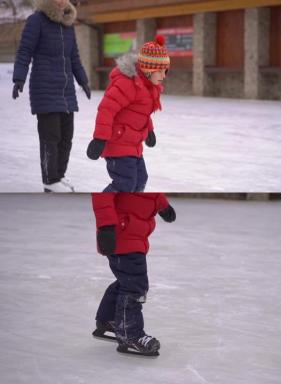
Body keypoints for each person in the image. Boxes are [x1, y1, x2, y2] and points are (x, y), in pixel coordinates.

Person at [12, 0, 90, 192]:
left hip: (66, 92)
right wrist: (19, 78)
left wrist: (83, 80)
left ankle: (59, 177)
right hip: (45, 88)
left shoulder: (68, 23)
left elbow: (74, 58)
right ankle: (50, 180)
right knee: (50, 137)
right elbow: (24, 51)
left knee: (66, 138)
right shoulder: (36, 20)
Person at [91, 192, 176, 356]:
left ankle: (108, 320)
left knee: (127, 281)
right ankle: (130, 334)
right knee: (134, 286)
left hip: (134, 235)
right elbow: (102, 195)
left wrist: (162, 205)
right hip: (121, 235)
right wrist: (106, 226)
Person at [86, 35, 169, 192]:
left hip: (133, 144)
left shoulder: (149, 87)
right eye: (160, 71)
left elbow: (142, 112)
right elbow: (106, 110)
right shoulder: (127, 83)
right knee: (125, 184)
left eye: (166, 71)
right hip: (117, 143)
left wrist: (149, 130)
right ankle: (105, 210)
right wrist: (99, 139)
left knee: (140, 181)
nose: (164, 76)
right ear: (148, 69)